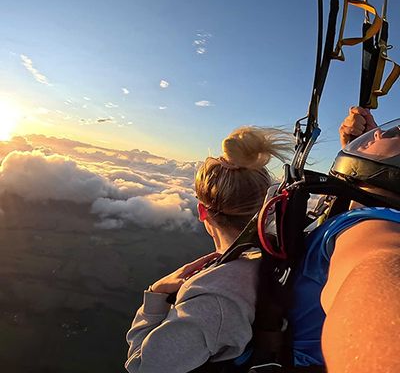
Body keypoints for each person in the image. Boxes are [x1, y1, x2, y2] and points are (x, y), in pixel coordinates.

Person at [125, 126, 293, 373]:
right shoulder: (279, 255)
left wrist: (156, 296)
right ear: (265, 209)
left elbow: (142, 367)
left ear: (202, 211)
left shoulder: (214, 299)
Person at [318, 107, 400, 372]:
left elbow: (376, 263)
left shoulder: (373, 231)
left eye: (394, 132)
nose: (379, 132)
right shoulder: (365, 206)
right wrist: (360, 145)